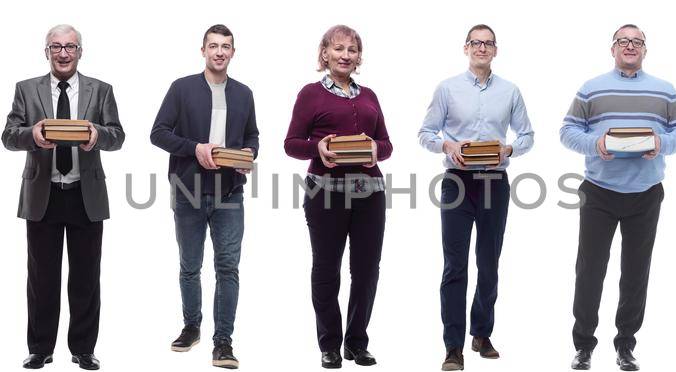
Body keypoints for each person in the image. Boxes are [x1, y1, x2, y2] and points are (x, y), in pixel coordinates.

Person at [561, 24, 676, 372]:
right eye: (624, 41)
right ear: (613, 48)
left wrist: (662, 143)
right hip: (599, 192)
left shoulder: (664, 91)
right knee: (589, 272)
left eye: (637, 42)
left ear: (645, 50)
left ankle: (625, 345)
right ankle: (583, 346)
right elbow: (567, 131)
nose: (630, 46)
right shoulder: (592, 89)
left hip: (645, 195)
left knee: (635, 274)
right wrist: (596, 144)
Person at [1, 24, 125, 371]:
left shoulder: (101, 91)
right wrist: (33, 135)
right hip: (44, 193)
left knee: (86, 277)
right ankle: (40, 349)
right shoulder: (26, 90)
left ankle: (83, 349)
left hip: (86, 195)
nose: (64, 53)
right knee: (42, 278)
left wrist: (97, 135)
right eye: (56, 46)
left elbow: (118, 135)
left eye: (70, 46)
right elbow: (9, 135)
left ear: (80, 51)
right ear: (47, 52)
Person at [416, 23, 535, 372]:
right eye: (476, 43)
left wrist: (510, 147)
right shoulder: (447, 89)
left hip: (494, 183)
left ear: (496, 50)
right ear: (466, 48)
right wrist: (446, 145)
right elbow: (425, 133)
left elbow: (527, 135)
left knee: (489, 262)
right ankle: (453, 345)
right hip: (457, 183)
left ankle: (481, 333)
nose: (482, 48)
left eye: (488, 44)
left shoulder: (510, 91)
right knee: (455, 265)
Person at [282, 24, 393, 369]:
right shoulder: (310, 94)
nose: (346, 55)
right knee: (326, 269)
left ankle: (357, 343)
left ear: (359, 56)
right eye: (339, 48)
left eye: (352, 50)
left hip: (369, 194)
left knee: (366, 270)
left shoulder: (370, 95)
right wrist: (318, 147)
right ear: (325, 53)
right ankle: (329, 343)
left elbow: (387, 145)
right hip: (325, 194)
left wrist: (377, 148)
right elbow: (291, 144)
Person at [148, 24, 258, 370]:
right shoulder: (181, 89)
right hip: (188, 191)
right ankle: (191, 326)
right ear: (203, 51)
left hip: (229, 193)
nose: (219, 52)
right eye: (213, 46)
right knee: (190, 266)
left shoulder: (243, 93)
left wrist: (247, 156)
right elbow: (158, 133)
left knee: (228, 268)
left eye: (226, 46)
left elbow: (253, 135)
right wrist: (195, 148)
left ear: (233, 53)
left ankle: (223, 341)